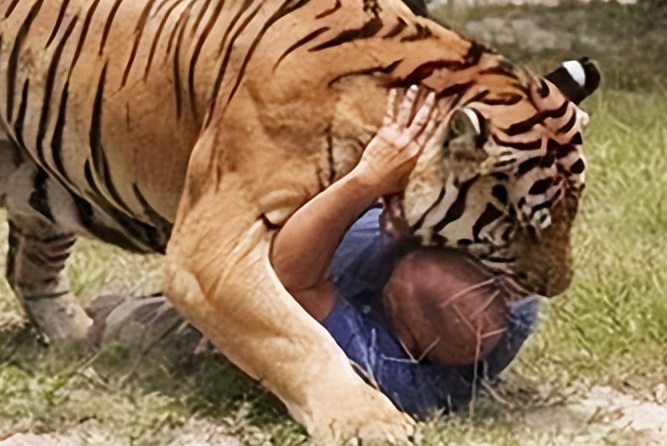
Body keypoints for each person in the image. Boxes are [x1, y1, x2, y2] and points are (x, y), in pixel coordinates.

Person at [89, 86, 538, 419]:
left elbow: (289, 281)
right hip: (303, 212)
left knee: (130, 324)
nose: (402, 239)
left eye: (398, 262)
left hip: (248, 296)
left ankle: (116, 316)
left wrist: (369, 180)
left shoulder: (391, 374)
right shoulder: (515, 303)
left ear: (404, 338)